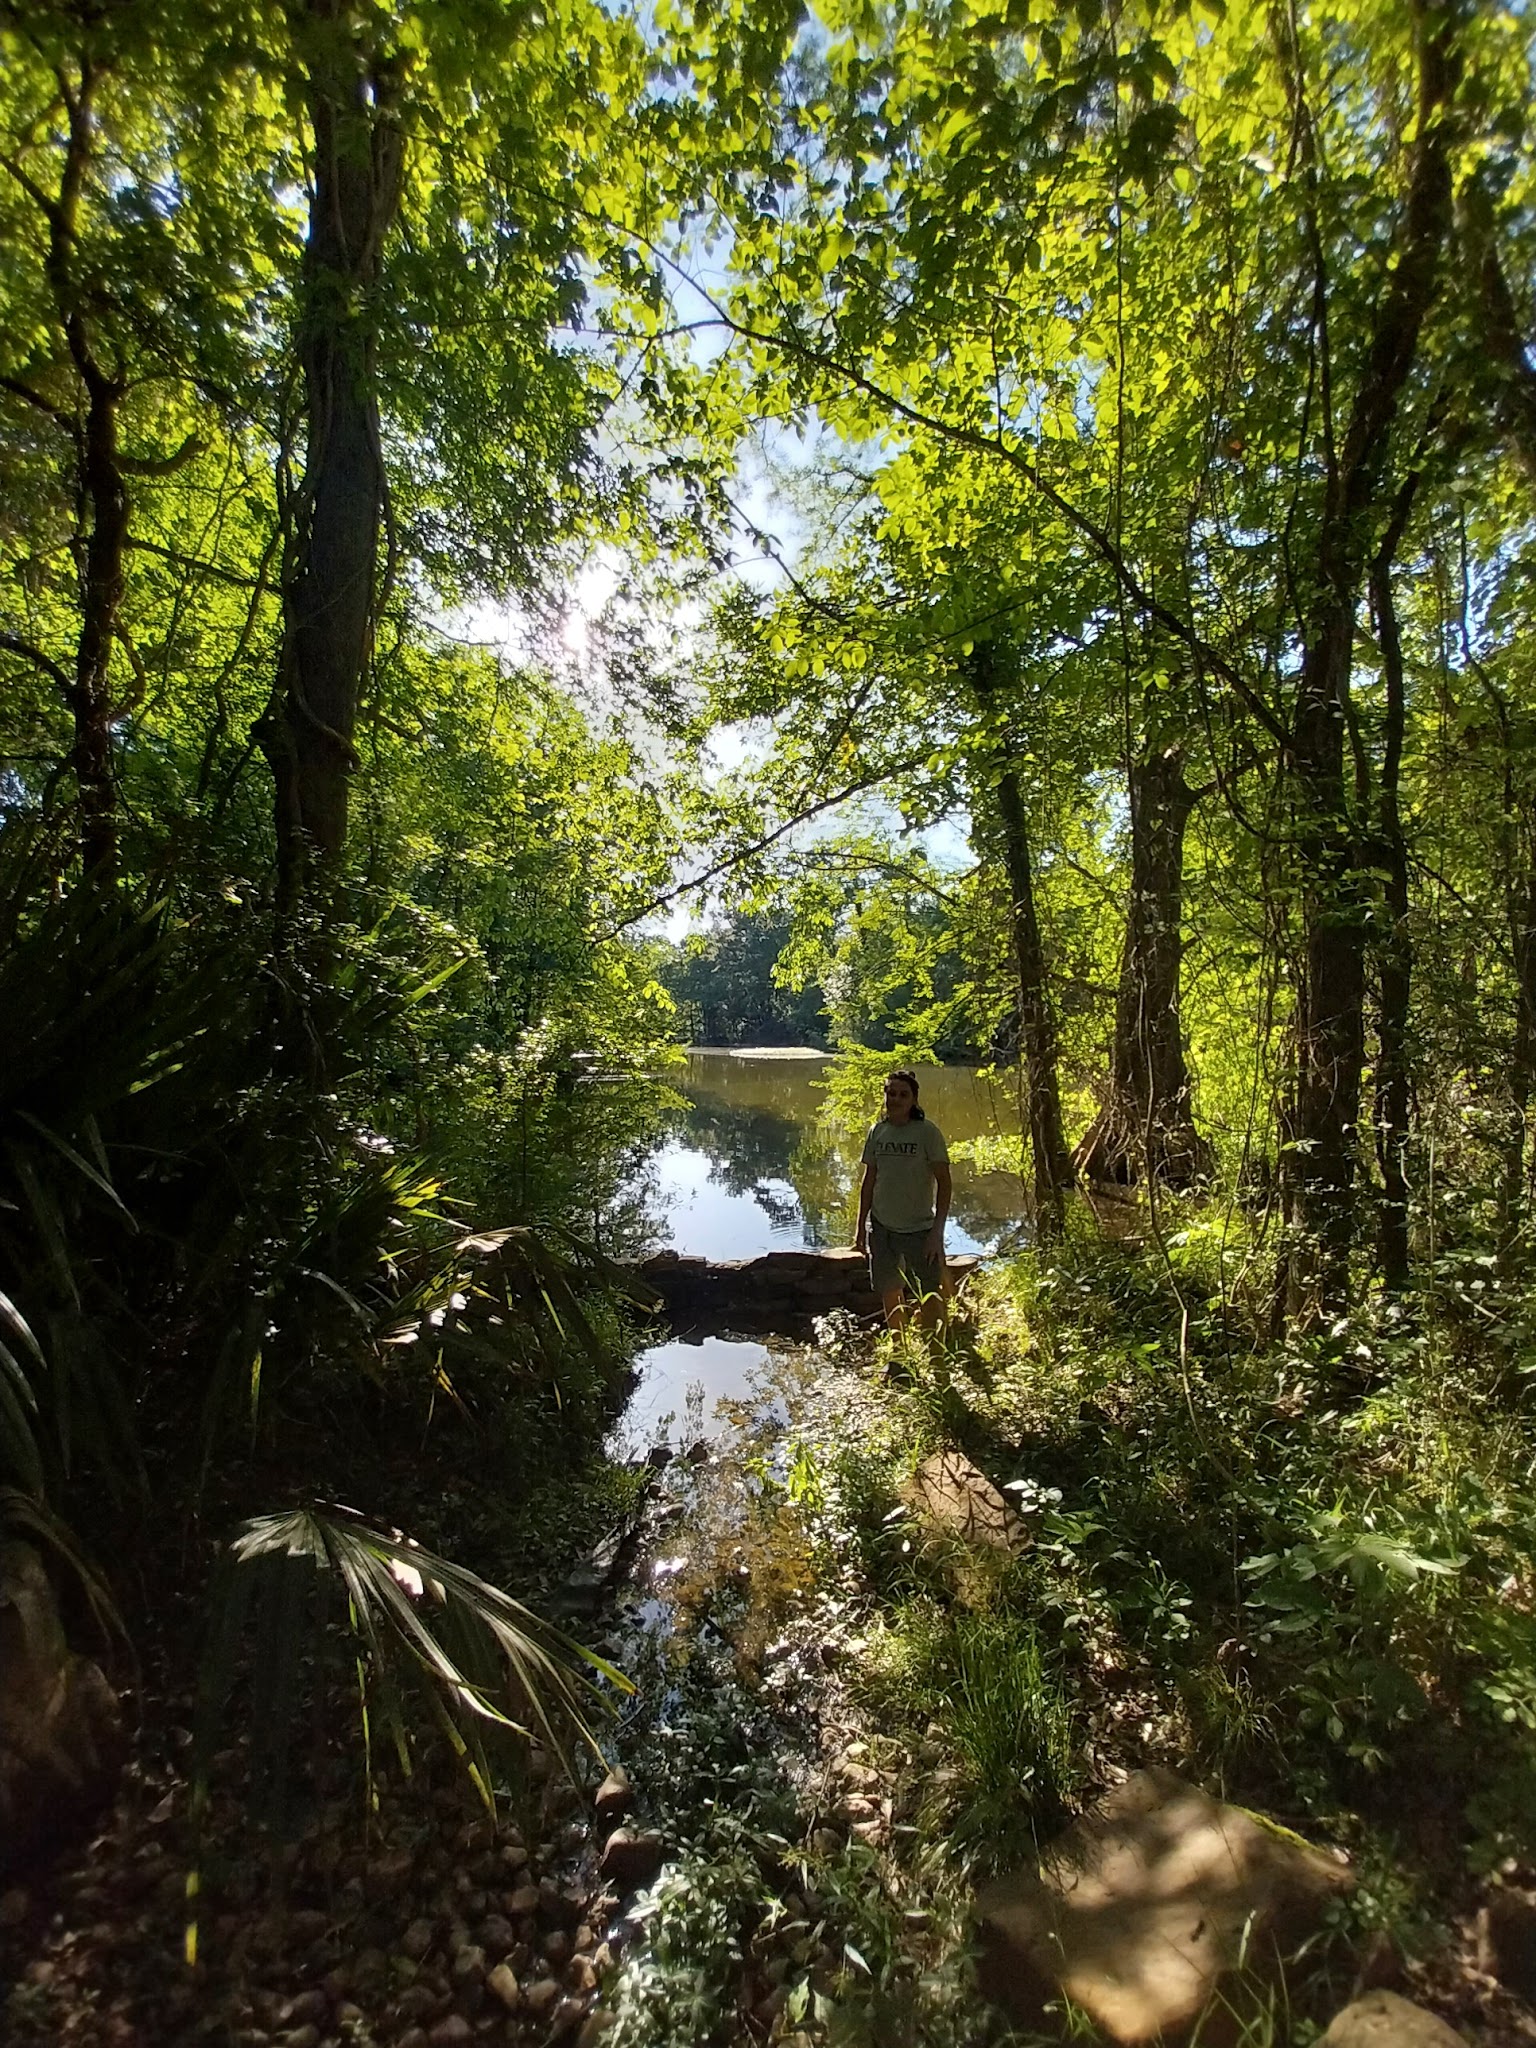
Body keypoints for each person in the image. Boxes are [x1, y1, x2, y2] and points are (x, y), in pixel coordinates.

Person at [853, 1069, 952, 1332]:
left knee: (929, 1293)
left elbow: (945, 1183)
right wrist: (860, 1227)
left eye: (903, 1095)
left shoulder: (927, 1133)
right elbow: (869, 1180)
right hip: (882, 1228)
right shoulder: (877, 1132)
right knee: (889, 1289)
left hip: (919, 1229)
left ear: (914, 1100)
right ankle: (899, 1351)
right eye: (891, 1093)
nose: (896, 1099)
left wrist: (937, 1233)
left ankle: (936, 1353)